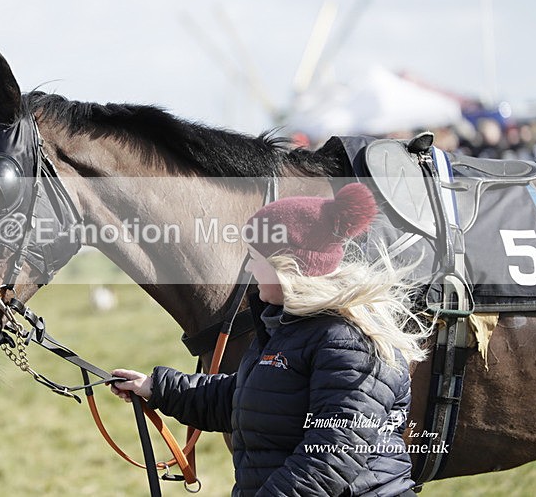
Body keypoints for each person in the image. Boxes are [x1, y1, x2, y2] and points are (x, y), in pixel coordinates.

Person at [110, 183, 432, 497]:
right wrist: (156, 387)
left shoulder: (349, 344)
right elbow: (248, 397)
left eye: (255, 258)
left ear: (287, 266)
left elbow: (330, 459)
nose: (250, 269)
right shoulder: (286, 328)